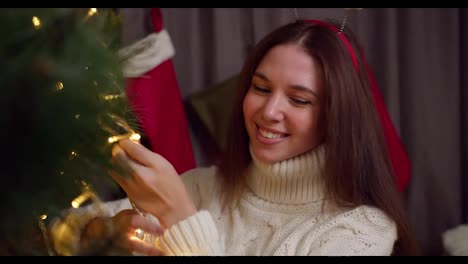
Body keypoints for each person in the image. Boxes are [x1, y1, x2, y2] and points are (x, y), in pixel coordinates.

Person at [49, 19, 420, 256]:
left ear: (337, 117)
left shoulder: (361, 230)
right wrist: (102, 232)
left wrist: (181, 219)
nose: (268, 111)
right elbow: (56, 228)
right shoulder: (203, 186)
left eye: (299, 99)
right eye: (260, 88)